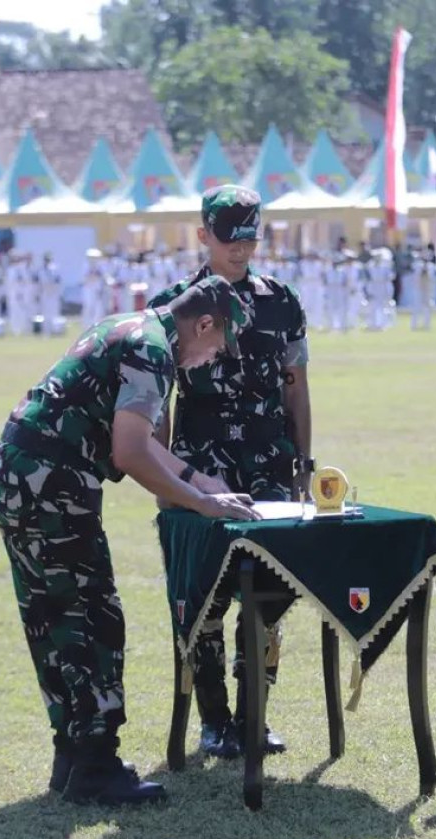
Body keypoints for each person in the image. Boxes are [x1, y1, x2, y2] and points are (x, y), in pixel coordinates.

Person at [0, 275, 258, 805]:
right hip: (53, 484)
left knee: (50, 615)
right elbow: (131, 452)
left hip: (18, 472)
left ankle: (72, 754)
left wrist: (199, 481)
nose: (215, 355)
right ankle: (96, 766)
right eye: (219, 343)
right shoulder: (154, 352)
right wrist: (200, 502)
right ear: (203, 324)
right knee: (93, 617)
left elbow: (136, 444)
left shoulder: (130, 326)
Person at [147, 185, 313, 759]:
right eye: (228, 239)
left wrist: (303, 463)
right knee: (205, 598)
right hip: (203, 468)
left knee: (266, 599)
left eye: (250, 238)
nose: (240, 250)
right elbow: (158, 403)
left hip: (268, 464)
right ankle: (214, 720)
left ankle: (254, 716)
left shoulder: (282, 301)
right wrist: (168, 484)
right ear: (203, 236)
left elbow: (297, 386)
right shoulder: (176, 304)